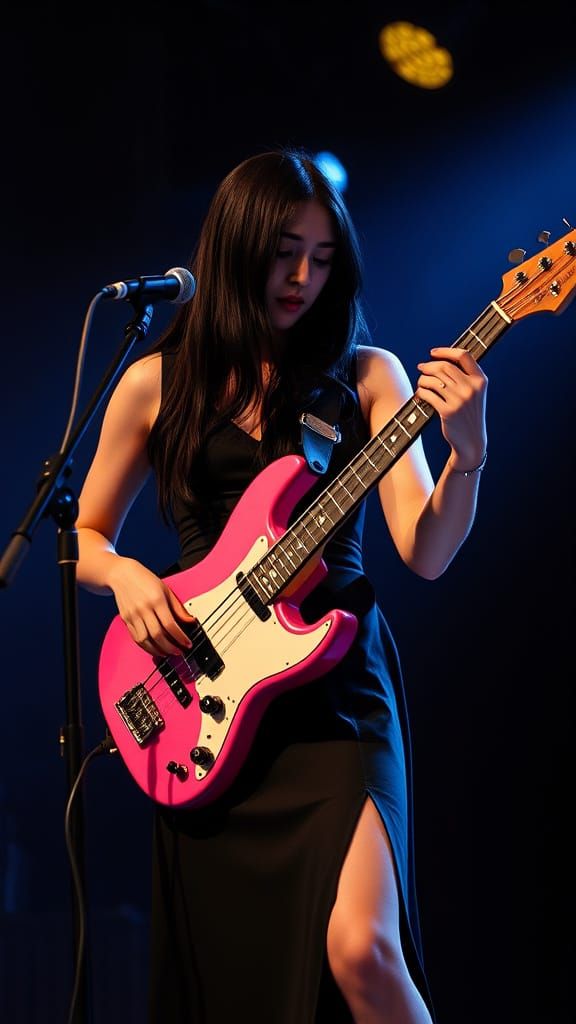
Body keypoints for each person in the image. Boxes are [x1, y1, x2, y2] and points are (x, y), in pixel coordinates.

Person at [75, 146, 488, 1024]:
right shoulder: (155, 385)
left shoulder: (367, 377)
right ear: (235, 249)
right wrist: (127, 576)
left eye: (324, 257)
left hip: (336, 703)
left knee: (363, 953)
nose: (303, 277)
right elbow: (81, 538)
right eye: (283, 253)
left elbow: (424, 548)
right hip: (206, 705)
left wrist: (469, 455)